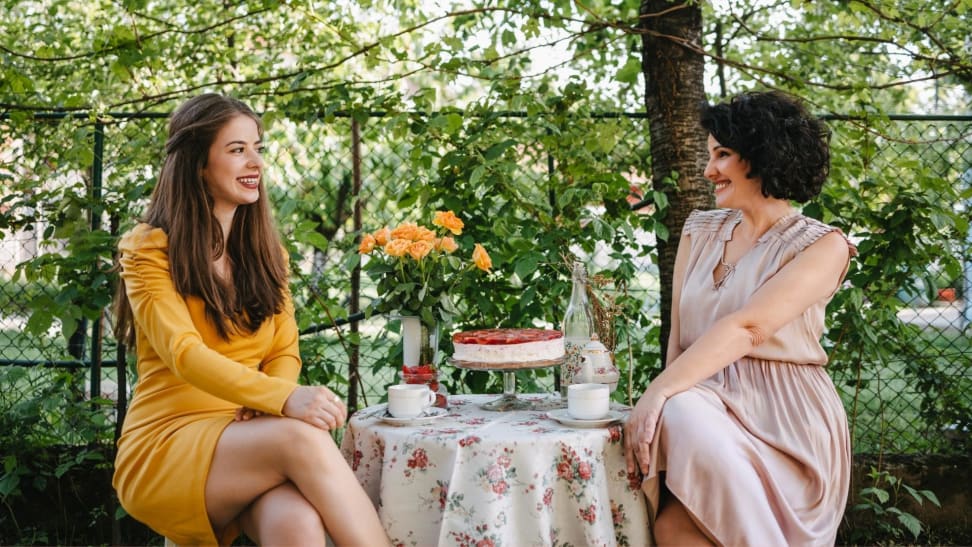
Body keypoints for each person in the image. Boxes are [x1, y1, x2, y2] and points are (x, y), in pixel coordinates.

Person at [112, 93, 390, 546]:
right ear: (198, 164)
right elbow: (184, 353)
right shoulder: (149, 249)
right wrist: (283, 400)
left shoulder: (267, 255)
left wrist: (265, 405)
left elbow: (283, 349)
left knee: (296, 524)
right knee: (300, 438)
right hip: (168, 442)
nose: (255, 161)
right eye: (237, 149)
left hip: (249, 435)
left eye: (258, 147)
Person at [624, 90, 856, 546]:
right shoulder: (699, 229)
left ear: (763, 155)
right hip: (699, 410)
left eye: (723, 155)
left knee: (681, 405)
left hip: (784, 419)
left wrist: (658, 393)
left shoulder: (821, 246)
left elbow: (749, 328)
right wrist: (665, 391)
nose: (710, 170)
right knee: (672, 528)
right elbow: (679, 336)